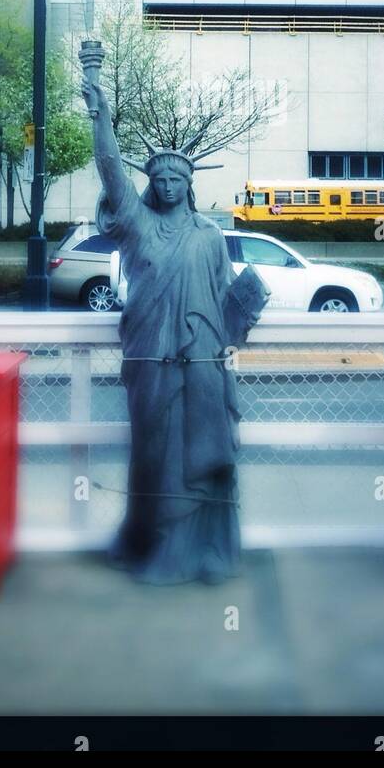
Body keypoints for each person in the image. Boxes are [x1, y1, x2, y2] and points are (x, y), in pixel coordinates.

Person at [81, 68, 270, 586]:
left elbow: (222, 296)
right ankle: (157, 545)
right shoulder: (137, 225)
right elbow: (110, 169)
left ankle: (201, 547)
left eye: (176, 179)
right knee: (155, 452)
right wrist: (100, 113)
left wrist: (249, 300)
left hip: (203, 360)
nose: (166, 186)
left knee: (199, 448)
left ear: (190, 185)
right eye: (159, 179)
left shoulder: (209, 236)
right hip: (149, 359)